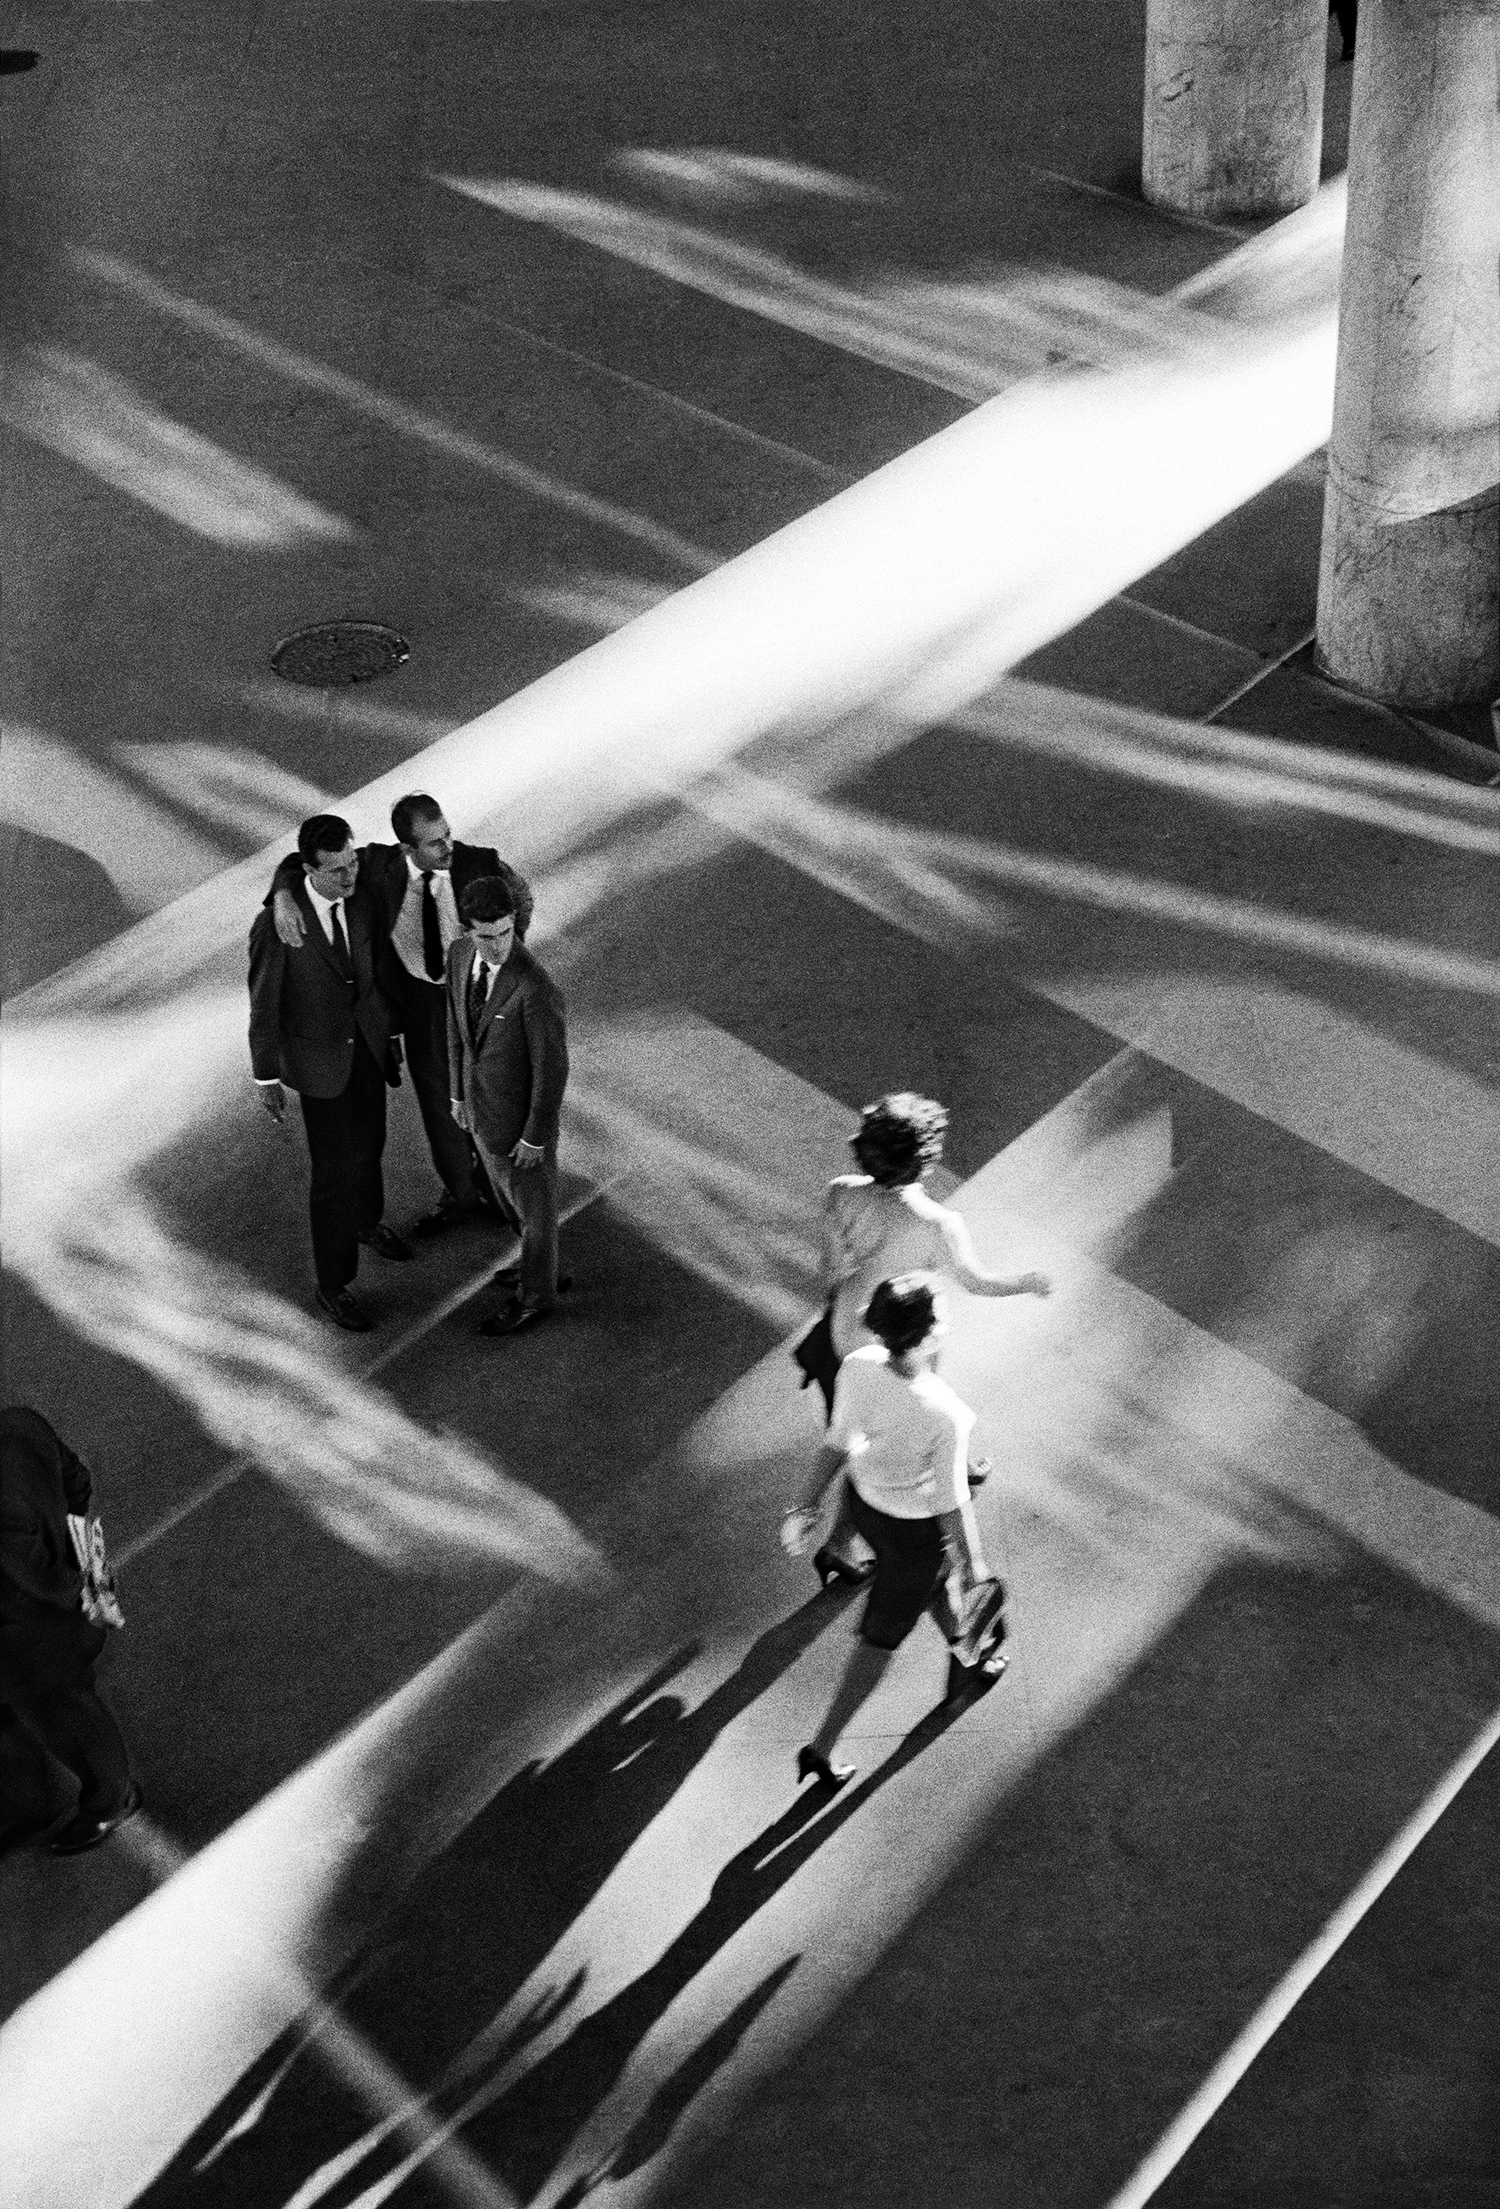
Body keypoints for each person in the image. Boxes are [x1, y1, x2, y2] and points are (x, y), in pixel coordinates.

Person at [797, 1092, 1049, 1588]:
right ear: (925, 1159)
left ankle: (937, 1467)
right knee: (892, 1430)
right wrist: (1024, 1282)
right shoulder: (939, 1225)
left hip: (849, 1328)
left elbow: (829, 1271)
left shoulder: (840, 1193)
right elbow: (977, 1281)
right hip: (909, 1330)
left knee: (857, 1428)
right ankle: (842, 1542)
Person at [266, 796, 533, 1236]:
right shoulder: (375, 865)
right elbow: (300, 861)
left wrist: (505, 953)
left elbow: (520, 897)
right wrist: (282, 895)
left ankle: (512, 1200)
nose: (449, 846)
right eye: (434, 842)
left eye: (447, 833)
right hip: (422, 1002)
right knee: (439, 1104)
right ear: (407, 849)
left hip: (475, 994)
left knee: (491, 1099)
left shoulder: (480, 864)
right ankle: (463, 1193)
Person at [781, 1275, 1009, 1788]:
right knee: (877, 1643)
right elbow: (953, 1500)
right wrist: (978, 1566)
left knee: (934, 1582)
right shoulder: (945, 1413)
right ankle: (821, 1749)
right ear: (927, 1335)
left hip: (863, 1507)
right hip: (913, 1537)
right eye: (942, 1317)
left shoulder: (859, 1366)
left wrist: (804, 1506)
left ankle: (967, 1653)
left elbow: (837, 1444)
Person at [249, 813, 411, 1331]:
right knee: (333, 1175)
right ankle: (333, 1285)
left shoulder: (362, 895)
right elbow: (263, 1005)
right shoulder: (278, 926)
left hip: (367, 1049)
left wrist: (388, 1034)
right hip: (321, 1067)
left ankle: (367, 1222)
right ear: (307, 869)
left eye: (352, 863)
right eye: (338, 871)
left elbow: (376, 967)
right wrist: (266, 1076)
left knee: (372, 1143)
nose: (351, 877)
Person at [0, 1407, 140, 1855]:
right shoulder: (22, 1426)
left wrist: (66, 1586)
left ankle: (110, 1802)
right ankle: (23, 1804)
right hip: (59, 1622)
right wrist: (73, 1556)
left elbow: (35, 1575)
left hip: (31, 1644)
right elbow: (77, 1480)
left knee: (69, 1720)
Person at [448, 876, 569, 1336]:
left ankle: (535, 1297)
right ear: (467, 931)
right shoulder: (459, 957)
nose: (497, 946)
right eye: (486, 936)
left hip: (521, 1130)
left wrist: (535, 1136)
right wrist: (458, 1095)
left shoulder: (536, 990)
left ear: (513, 923)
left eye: (504, 933)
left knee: (535, 1214)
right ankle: (542, 1268)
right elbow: (455, 1030)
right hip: (482, 1115)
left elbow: (551, 1071)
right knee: (514, 1208)